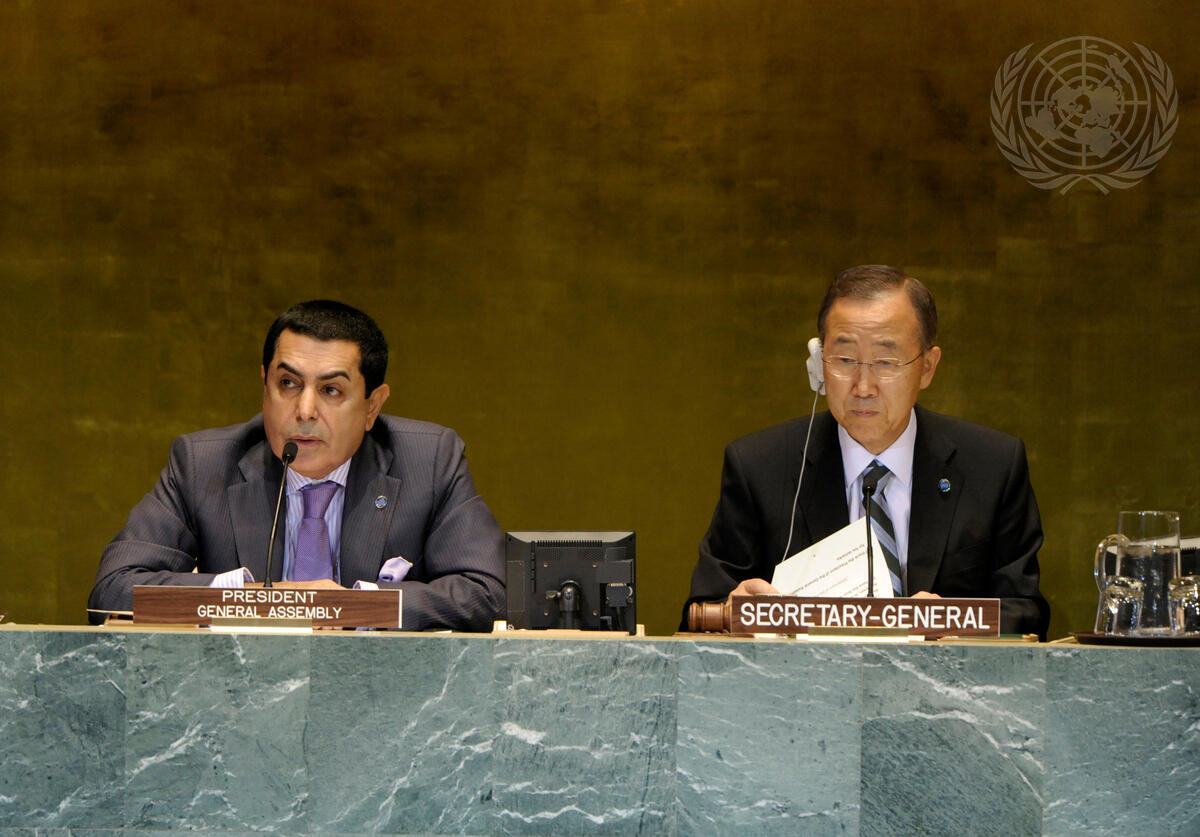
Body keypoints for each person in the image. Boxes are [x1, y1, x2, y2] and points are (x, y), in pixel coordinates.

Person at [89, 300, 505, 631]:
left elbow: (489, 592)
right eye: (288, 384)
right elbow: (113, 590)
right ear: (264, 384)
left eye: (331, 390)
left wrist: (351, 606)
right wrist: (255, 600)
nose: (304, 411)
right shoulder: (203, 464)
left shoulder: (428, 460)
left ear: (372, 407)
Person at [680, 265, 1050, 637]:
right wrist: (730, 613)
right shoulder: (760, 467)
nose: (863, 387)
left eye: (885, 363)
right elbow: (698, 616)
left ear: (927, 367)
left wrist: (951, 621)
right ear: (818, 365)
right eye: (844, 360)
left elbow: (1027, 612)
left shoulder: (992, 466)